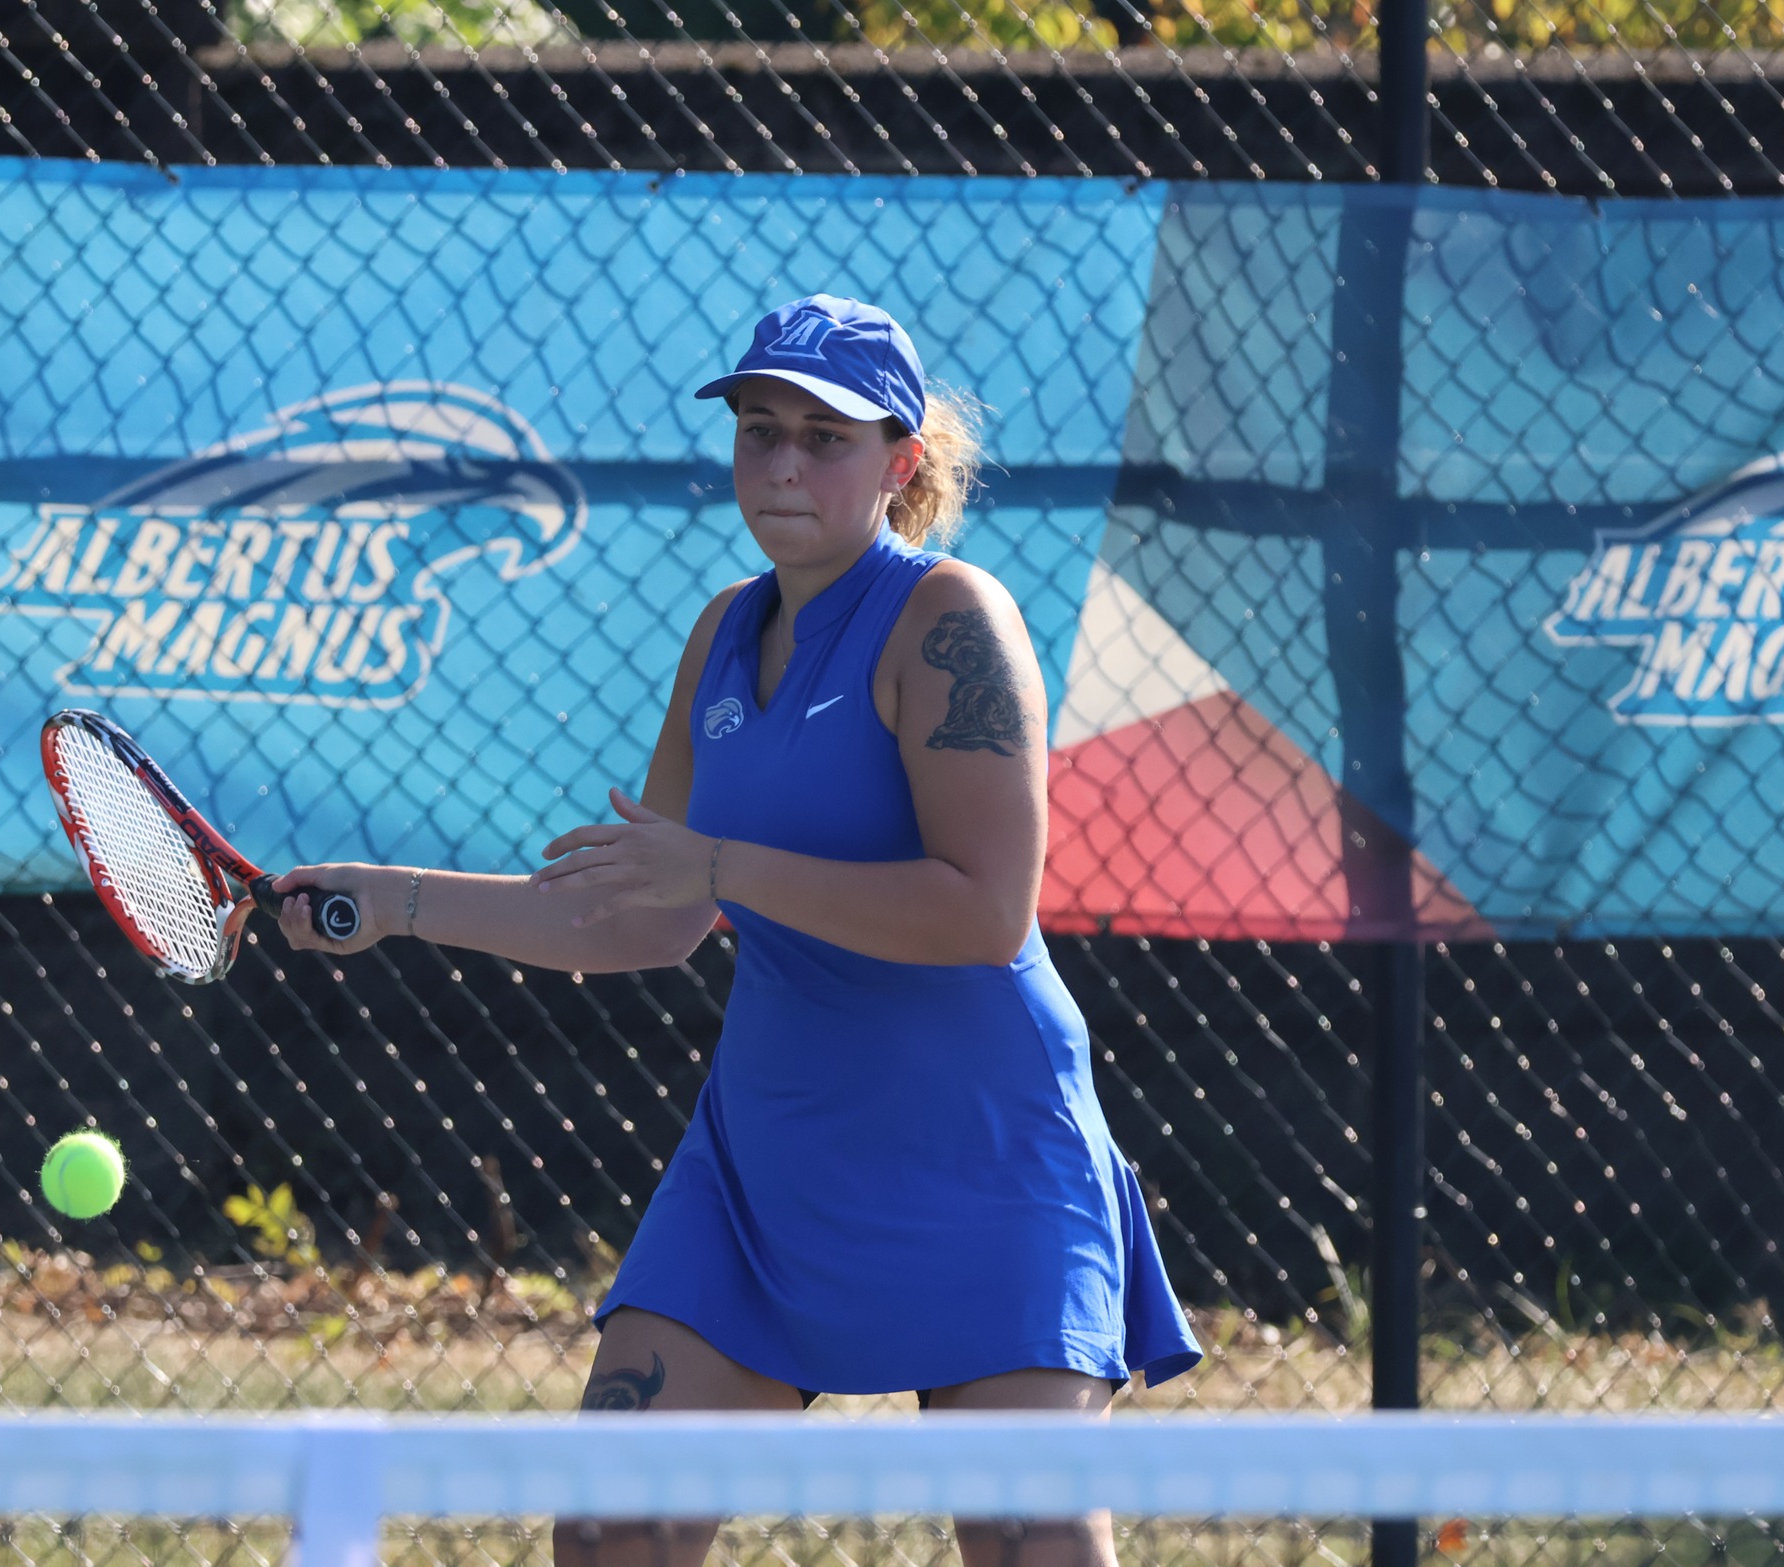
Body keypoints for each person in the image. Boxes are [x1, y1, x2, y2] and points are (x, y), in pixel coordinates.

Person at [269, 294, 1201, 1567]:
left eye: (823, 437)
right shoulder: (722, 632)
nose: (780, 463)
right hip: (770, 1152)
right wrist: (388, 901)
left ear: (900, 461)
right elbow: (640, 921)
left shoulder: (949, 618)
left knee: (1030, 1539)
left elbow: (984, 912)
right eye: (759, 429)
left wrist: (718, 863)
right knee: (613, 1525)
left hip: (984, 1148)